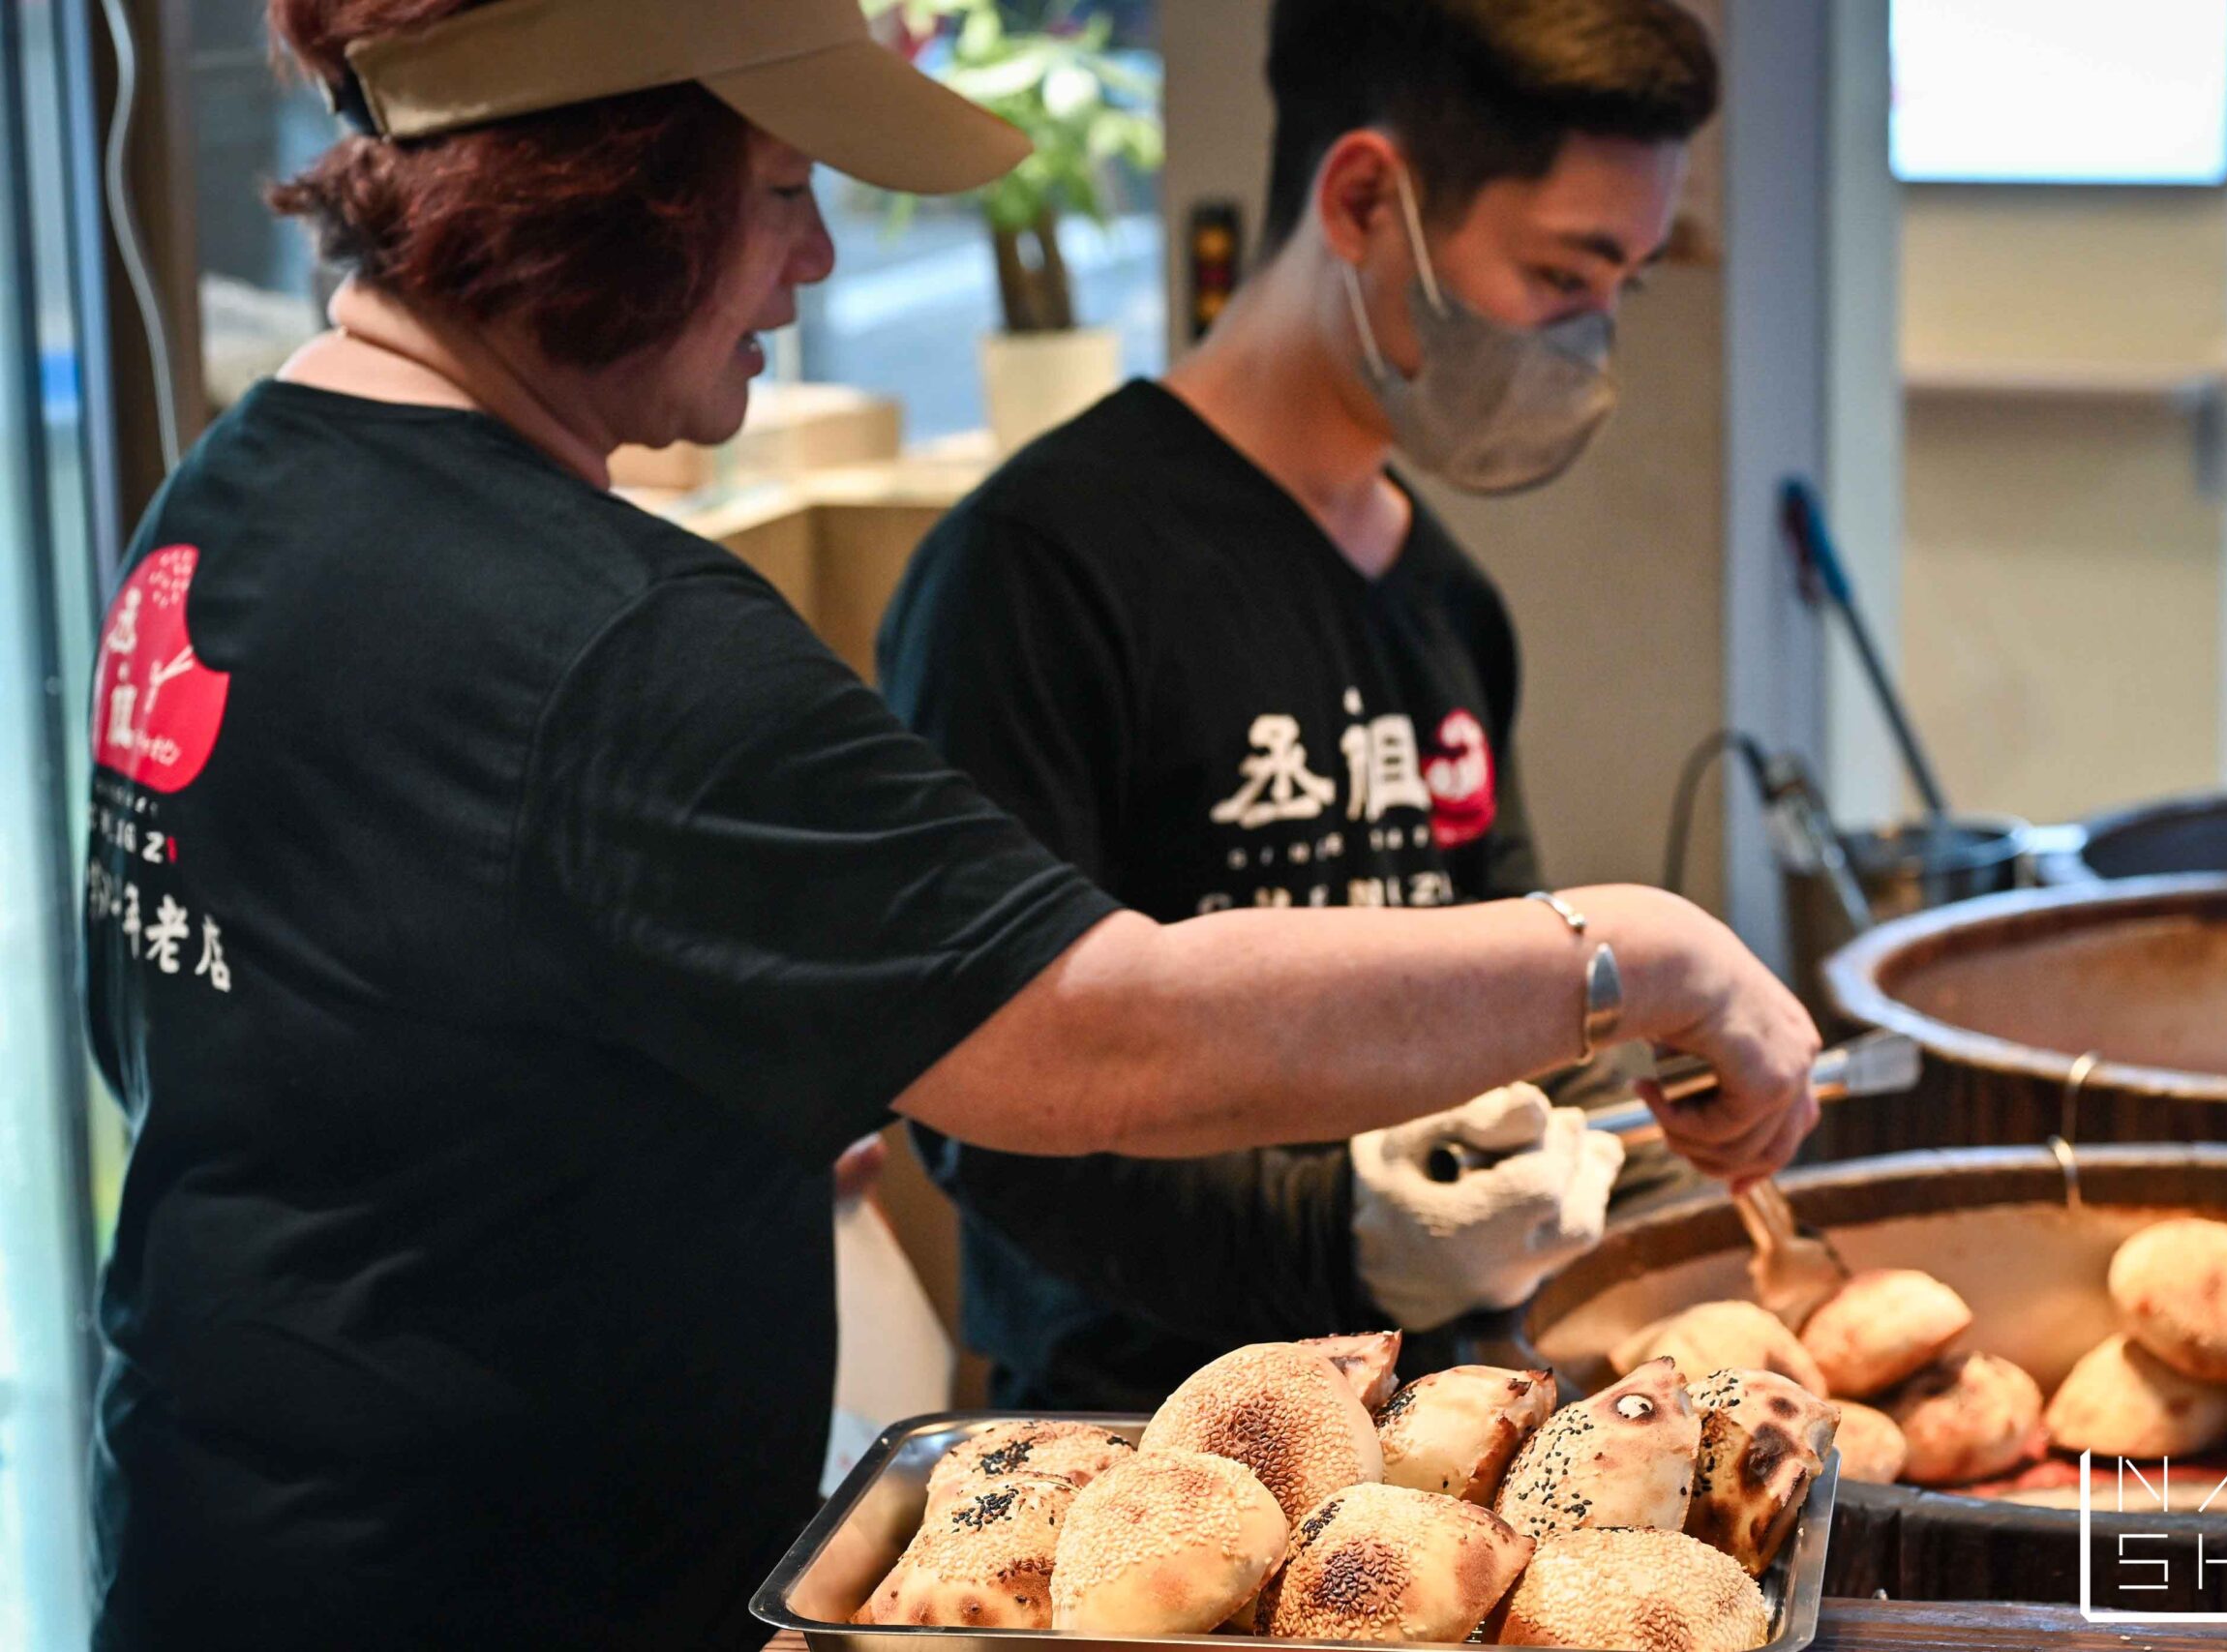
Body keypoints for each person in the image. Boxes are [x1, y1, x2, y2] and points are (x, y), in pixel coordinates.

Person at [78, 0, 1818, 1646]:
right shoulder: (618, 643)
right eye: (777, 191)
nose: (818, 257)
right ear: (609, 183)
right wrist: (1636, 952)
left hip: (226, 1542)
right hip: (490, 1597)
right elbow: (1095, 1040)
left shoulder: (228, 507)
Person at [878, 0, 1738, 1411]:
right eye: (1562, 275)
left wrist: (1592, 1149)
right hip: (1128, 1464)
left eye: (1623, 289)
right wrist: (1339, 1243)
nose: (1588, 348)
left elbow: (1513, 991)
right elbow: (987, 1100)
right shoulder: (1038, 570)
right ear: (1362, 200)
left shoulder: (1447, 600)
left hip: (1437, 1441)